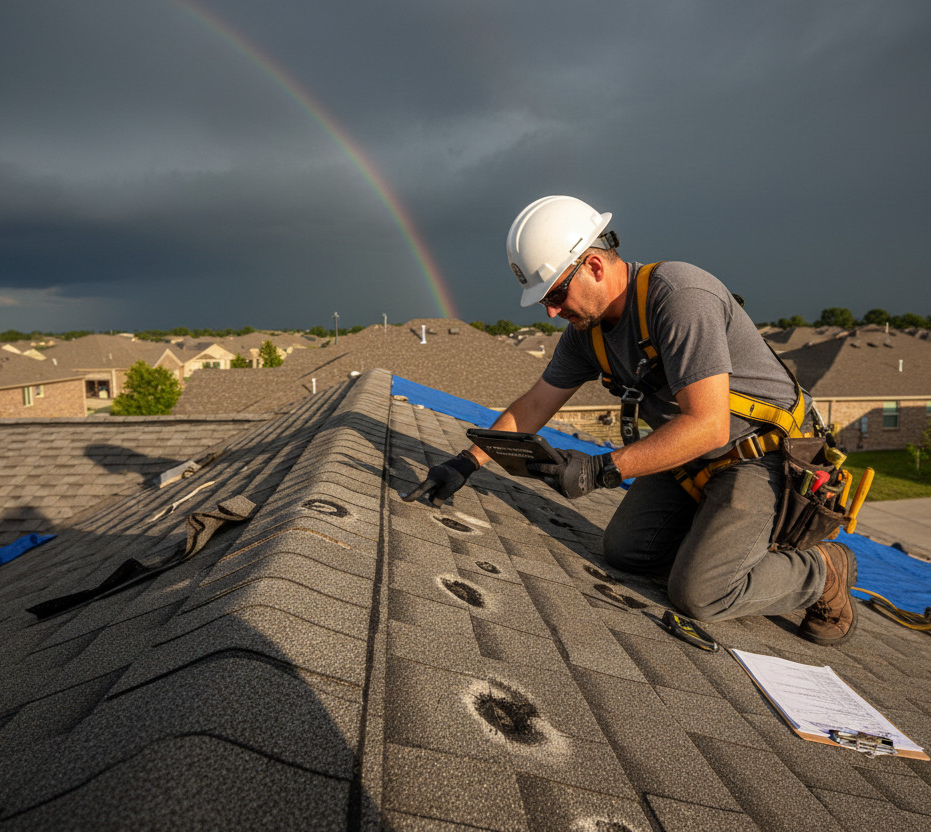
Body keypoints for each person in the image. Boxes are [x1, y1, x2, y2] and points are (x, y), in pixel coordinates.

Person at [403, 195, 857, 646]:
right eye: (545, 300)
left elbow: (709, 425)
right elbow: (536, 404)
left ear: (595, 266)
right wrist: (466, 463)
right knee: (624, 551)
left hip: (763, 458)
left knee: (701, 593)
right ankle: (716, 540)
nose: (552, 311)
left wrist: (601, 470)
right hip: (694, 459)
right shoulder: (588, 333)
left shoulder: (680, 298)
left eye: (556, 293)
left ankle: (823, 571)